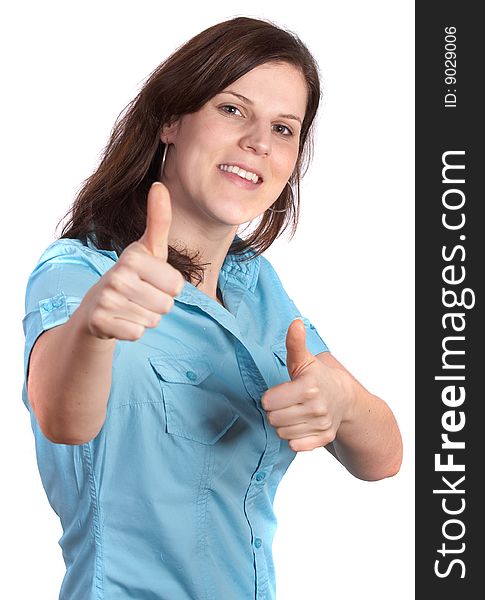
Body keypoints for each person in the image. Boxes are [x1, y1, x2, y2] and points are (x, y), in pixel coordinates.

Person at [22, 15, 403, 600]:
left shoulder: (257, 287)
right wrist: (97, 327)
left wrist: (341, 401)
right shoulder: (80, 272)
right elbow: (62, 417)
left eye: (284, 128)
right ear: (172, 120)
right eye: (232, 109)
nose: (257, 141)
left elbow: (384, 457)